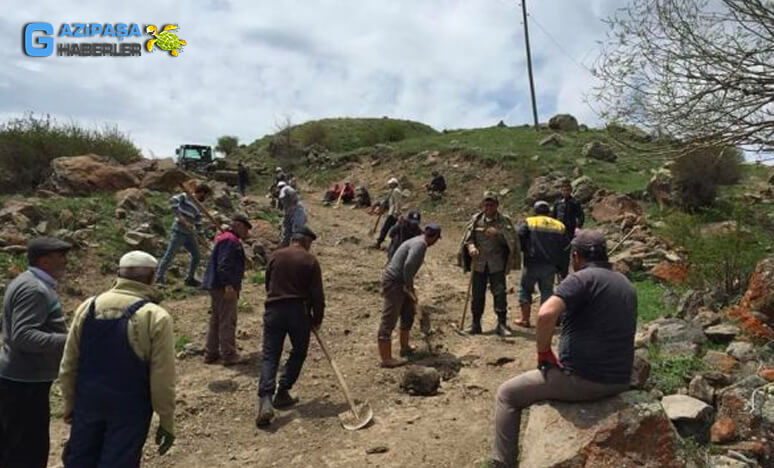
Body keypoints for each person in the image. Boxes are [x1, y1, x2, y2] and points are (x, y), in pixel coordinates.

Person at [488, 230, 636, 468]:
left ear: (576, 256)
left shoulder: (580, 279)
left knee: (507, 395)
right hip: (619, 379)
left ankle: (502, 464)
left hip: (583, 380)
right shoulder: (625, 283)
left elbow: (546, 313)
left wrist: (543, 352)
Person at [59, 251, 176, 467]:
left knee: (80, 460)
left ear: (118, 274)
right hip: (129, 409)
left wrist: (69, 403)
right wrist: (166, 420)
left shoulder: (88, 307)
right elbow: (162, 378)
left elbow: (68, 364)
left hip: (88, 402)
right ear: (152, 276)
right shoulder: (155, 316)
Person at [0, 237, 71, 468]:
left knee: (16, 444)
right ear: (44, 260)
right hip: (24, 382)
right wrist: (71, 340)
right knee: (27, 449)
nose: (65, 261)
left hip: (24, 378)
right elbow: (23, 336)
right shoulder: (35, 290)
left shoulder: (29, 283)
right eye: (60, 256)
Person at [256, 227, 325, 427]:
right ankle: (283, 389)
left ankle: (266, 400)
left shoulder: (275, 256)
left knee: (270, 355)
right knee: (299, 351)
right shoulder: (310, 260)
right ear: (305, 242)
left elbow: (267, 283)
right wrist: (317, 318)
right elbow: (317, 295)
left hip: (274, 309)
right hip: (298, 311)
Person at [377, 224, 441, 368]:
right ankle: (386, 359)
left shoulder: (418, 240)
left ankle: (405, 347)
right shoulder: (420, 245)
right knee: (390, 317)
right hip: (395, 282)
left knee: (408, 313)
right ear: (435, 238)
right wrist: (409, 286)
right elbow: (409, 265)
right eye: (437, 239)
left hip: (402, 281)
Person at [458, 192, 521, 336]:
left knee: (499, 294)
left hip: (496, 263)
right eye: (486, 204)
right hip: (479, 264)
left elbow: (512, 242)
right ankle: (475, 324)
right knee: (477, 295)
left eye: (491, 204)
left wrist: (499, 234)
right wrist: (471, 247)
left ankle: (502, 324)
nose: (489, 207)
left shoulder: (504, 221)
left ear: (497, 206)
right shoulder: (476, 220)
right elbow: (468, 238)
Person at [202, 215, 251, 366]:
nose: (247, 232)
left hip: (216, 285)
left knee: (216, 319)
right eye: (245, 228)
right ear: (237, 225)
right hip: (223, 287)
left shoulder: (224, 238)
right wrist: (229, 286)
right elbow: (224, 265)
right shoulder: (230, 241)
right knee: (227, 320)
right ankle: (229, 355)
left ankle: (211, 353)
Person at [514, 201, 568, 328]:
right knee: (547, 292)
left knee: (525, 290)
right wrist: (562, 268)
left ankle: (525, 319)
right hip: (550, 265)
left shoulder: (530, 221)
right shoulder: (559, 225)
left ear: (535, 210)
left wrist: (524, 250)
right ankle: (546, 321)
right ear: (549, 212)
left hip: (532, 263)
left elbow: (519, 236)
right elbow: (565, 247)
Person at [155, 183, 212, 286]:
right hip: (179, 231)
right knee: (170, 255)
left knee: (197, 256)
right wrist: (180, 217)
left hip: (189, 234)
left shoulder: (198, 206)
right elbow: (173, 200)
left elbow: (198, 224)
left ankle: (189, 279)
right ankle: (159, 278)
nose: (206, 198)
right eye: (206, 196)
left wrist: (203, 239)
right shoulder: (186, 196)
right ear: (202, 193)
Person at [552, 180, 585, 279]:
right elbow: (553, 216)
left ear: (570, 191)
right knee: (556, 252)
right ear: (561, 191)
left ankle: (564, 274)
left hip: (569, 231)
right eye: (563, 190)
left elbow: (581, 216)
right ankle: (557, 272)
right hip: (557, 231)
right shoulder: (557, 202)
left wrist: (578, 227)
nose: (565, 192)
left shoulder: (575, 202)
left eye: (567, 190)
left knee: (566, 253)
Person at [374, 177, 403, 249]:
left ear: (394, 184)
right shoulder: (392, 191)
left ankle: (380, 242)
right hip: (391, 212)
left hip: (393, 213)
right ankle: (382, 242)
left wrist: (396, 212)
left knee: (386, 228)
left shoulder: (396, 191)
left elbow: (397, 203)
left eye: (391, 184)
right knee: (388, 228)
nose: (389, 185)